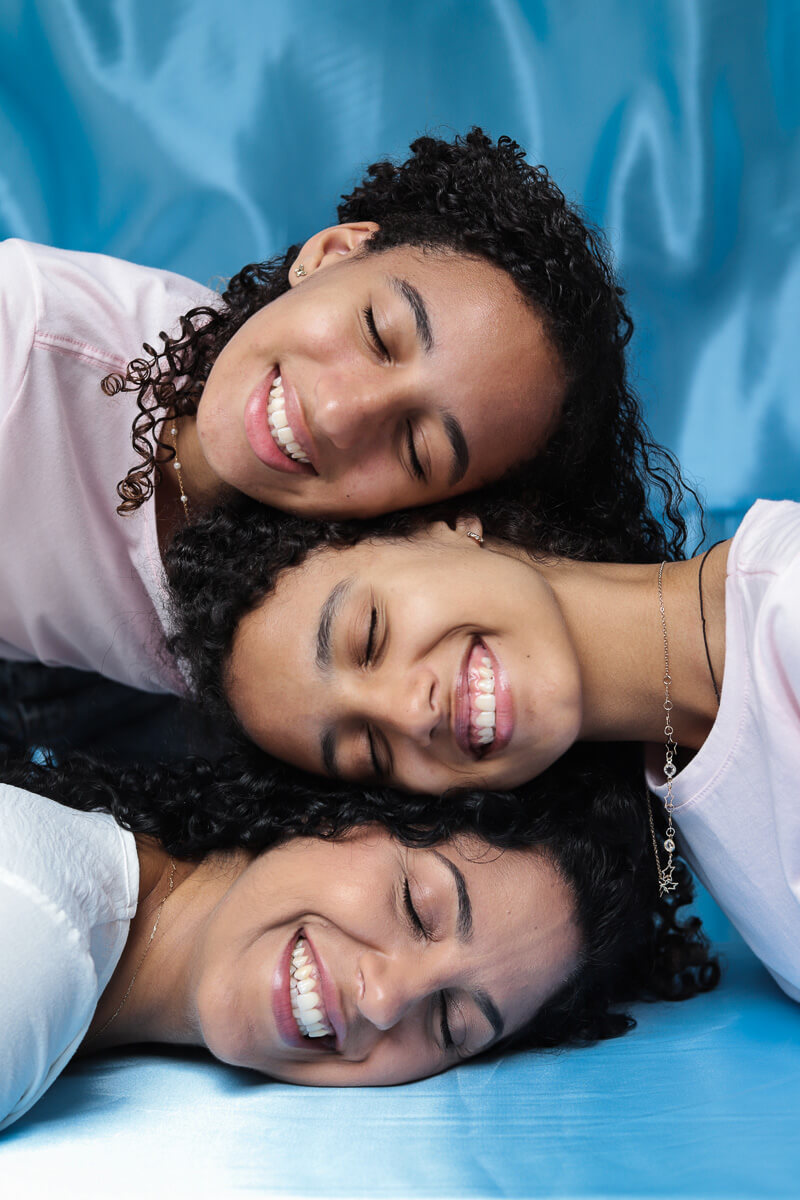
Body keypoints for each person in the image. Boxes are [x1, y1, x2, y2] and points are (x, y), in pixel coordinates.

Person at [0, 128, 693, 762]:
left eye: (418, 449)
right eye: (376, 332)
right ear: (331, 254)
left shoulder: (367, 635)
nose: (334, 413)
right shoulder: (27, 347)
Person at [164, 497, 800, 1002]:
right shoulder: (682, 780)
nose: (411, 712)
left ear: (441, 524)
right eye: (373, 751)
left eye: (370, 636)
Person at [0, 750, 716, 1132]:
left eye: (448, 1023)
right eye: (417, 907)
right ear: (338, 806)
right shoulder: (36, 941)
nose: (385, 999)